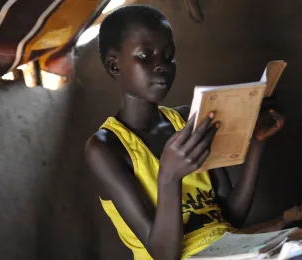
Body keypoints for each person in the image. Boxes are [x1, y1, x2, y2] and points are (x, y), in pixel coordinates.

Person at [84, 5, 285, 260]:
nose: (161, 65)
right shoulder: (105, 148)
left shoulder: (186, 119)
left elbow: (229, 217)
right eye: (145, 56)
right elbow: (163, 255)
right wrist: (169, 177)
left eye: (168, 56)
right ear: (115, 66)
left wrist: (257, 144)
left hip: (232, 251)